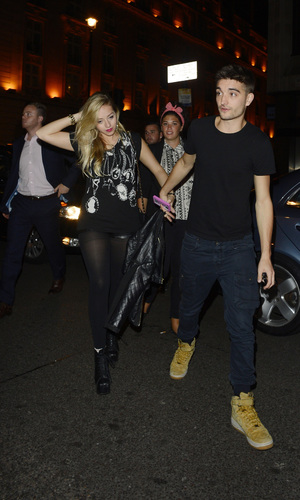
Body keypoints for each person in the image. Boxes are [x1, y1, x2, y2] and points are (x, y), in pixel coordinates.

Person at [159, 64, 276, 450]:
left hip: (239, 247)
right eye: (221, 92)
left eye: (234, 93)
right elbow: (186, 163)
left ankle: (242, 401)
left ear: (249, 98)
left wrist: (266, 256)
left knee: (242, 323)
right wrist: (165, 191)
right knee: (189, 307)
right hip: (197, 241)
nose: (225, 100)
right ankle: (186, 343)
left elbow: (262, 201)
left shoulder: (259, 143)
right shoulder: (201, 131)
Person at [36, 92, 171, 395]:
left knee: (118, 284)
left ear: (117, 114)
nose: (107, 125)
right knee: (99, 283)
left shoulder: (134, 141)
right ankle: (100, 357)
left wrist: (168, 196)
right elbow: (43, 133)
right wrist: (79, 117)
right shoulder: (86, 141)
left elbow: (161, 174)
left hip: (126, 225)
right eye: (99, 120)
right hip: (93, 224)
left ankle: (111, 333)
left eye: (110, 116)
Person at [0, 102, 79, 319]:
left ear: (40, 119)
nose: (23, 116)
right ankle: (5, 300)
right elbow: (14, 176)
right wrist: (5, 203)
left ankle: (59, 275)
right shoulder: (18, 144)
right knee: (12, 253)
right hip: (22, 204)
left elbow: (79, 161)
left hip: (47, 203)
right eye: (23, 112)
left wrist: (67, 183)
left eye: (28, 113)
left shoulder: (52, 141)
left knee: (53, 245)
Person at [142, 103, 193, 334]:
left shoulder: (191, 151)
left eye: (174, 123)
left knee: (181, 268)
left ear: (181, 127)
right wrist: (145, 197)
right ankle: (146, 299)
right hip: (161, 217)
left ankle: (176, 313)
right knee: (159, 266)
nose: (169, 127)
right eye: (165, 123)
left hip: (187, 219)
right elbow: (145, 178)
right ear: (161, 128)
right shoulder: (154, 151)